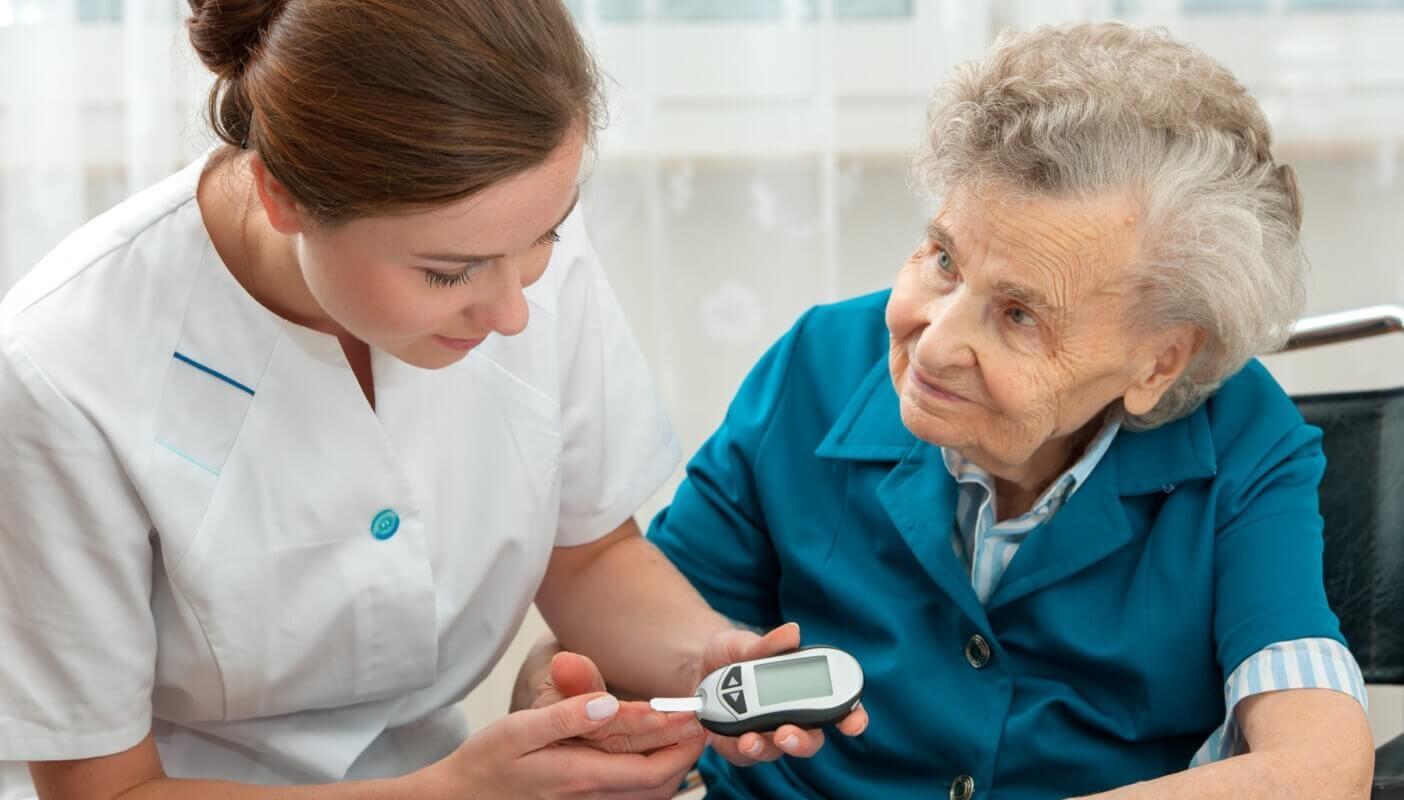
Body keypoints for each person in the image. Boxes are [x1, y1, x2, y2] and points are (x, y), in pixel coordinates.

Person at [0, 1, 862, 798]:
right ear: (281, 196)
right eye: (447, 273)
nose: (513, 311)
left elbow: (586, 554)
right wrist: (455, 792)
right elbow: (105, 791)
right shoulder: (61, 370)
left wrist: (703, 660)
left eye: (546, 237)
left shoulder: (499, 223)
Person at [589, 22, 1374, 799]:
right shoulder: (817, 366)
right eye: (943, 260)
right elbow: (631, 643)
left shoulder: (1245, 441)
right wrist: (577, 698)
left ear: (1159, 362)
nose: (933, 348)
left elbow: (1318, 766)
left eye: (1019, 315)